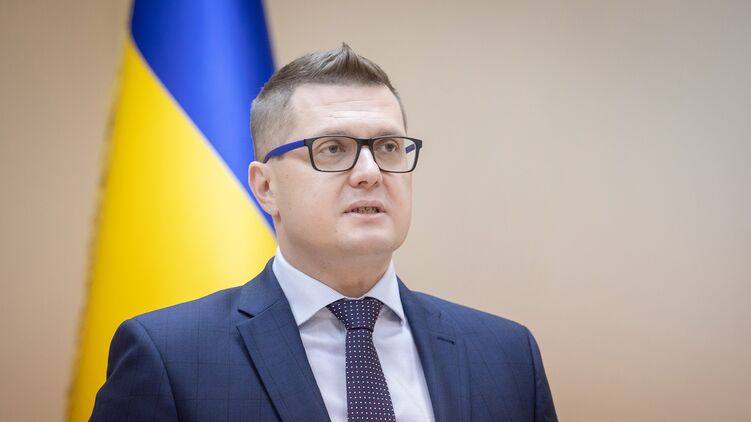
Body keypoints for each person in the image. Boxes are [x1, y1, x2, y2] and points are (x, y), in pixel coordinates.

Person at [91, 44, 557, 422]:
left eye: (388, 146)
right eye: (333, 148)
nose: (370, 172)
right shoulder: (169, 357)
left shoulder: (507, 354)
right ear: (266, 187)